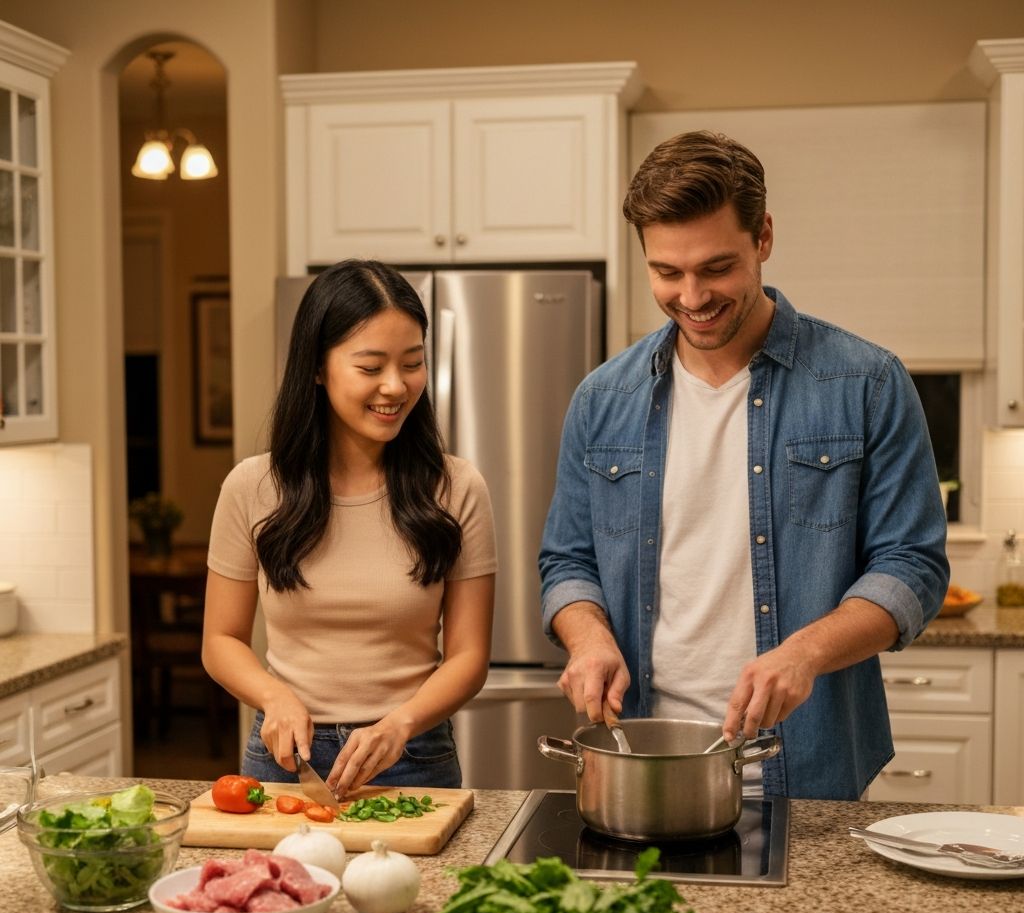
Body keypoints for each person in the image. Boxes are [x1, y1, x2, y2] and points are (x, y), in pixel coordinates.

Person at [538, 130, 949, 800]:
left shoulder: (865, 382)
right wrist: (587, 639)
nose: (692, 296)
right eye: (667, 272)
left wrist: (804, 654)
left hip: (809, 767)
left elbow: (912, 566)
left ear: (763, 237)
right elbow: (568, 561)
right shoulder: (602, 399)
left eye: (716, 267)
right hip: (648, 765)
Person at [203, 259, 497, 796]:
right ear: (317, 368)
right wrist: (274, 695)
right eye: (370, 367)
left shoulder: (457, 488)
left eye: (412, 363)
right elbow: (221, 640)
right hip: (286, 757)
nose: (395, 386)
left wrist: (401, 723)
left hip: (414, 754)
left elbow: (469, 656)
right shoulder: (251, 487)